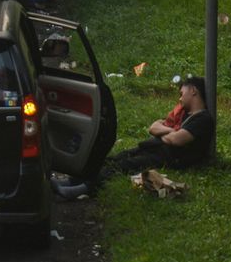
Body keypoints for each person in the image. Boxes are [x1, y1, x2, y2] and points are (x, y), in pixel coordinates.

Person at [53, 77, 216, 199]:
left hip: (167, 157)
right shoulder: (184, 114)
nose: (180, 99)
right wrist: (171, 130)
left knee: (125, 165)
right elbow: (154, 127)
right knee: (115, 158)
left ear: (193, 91)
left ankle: (82, 189)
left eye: (182, 93)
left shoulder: (203, 119)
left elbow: (176, 140)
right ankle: (75, 180)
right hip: (154, 148)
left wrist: (168, 133)